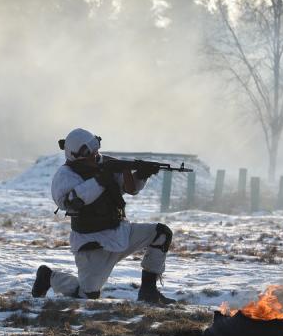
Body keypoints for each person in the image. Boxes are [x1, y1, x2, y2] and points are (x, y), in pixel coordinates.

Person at [31, 128, 176, 304]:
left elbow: (130, 188)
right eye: (89, 152)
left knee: (161, 234)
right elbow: (70, 202)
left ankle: (149, 292)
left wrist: (141, 175)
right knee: (88, 297)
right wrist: (100, 180)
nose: (95, 155)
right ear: (76, 155)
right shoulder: (65, 176)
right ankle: (49, 277)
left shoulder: (105, 164)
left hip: (120, 233)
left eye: (95, 149)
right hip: (93, 243)